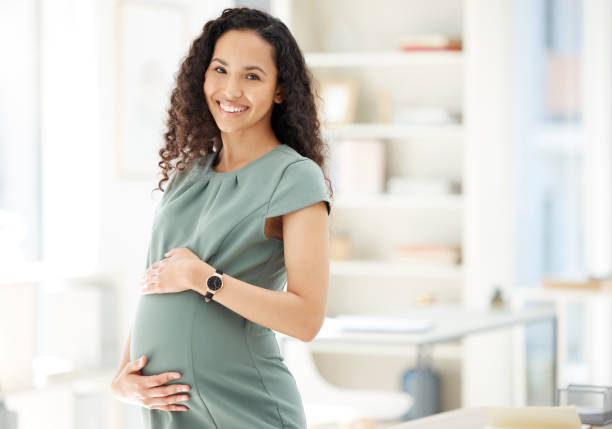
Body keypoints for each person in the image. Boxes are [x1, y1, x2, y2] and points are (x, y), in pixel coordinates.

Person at [109, 6, 333, 429]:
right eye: (220, 70)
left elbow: (306, 319)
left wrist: (203, 279)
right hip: (170, 411)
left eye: (252, 76)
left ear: (280, 90)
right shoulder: (187, 175)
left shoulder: (294, 177)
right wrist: (123, 379)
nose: (231, 90)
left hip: (246, 408)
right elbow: (156, 279)